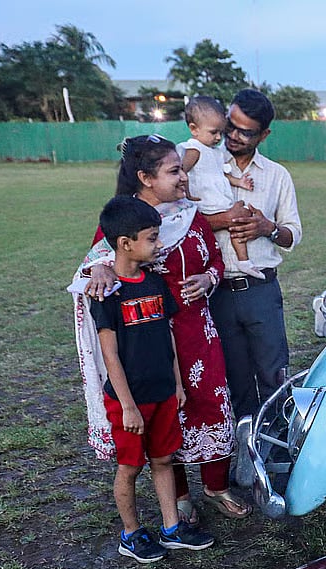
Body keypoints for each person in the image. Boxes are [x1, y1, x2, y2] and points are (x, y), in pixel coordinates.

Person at [73, 134, 251, 523]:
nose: (183, 178)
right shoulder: (127, 220)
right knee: (168, 413)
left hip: (199, 333)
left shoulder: (189, 214)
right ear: (146, 177)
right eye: (174, 171)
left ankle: (216, 486)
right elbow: (99, 264)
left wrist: (208, 279)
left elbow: (216, 261)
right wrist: (99, 267)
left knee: (210, 403)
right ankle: (180, 498)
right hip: (151, 339)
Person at [88, 195, 214, 563]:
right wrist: (127, 406)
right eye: (152, 238)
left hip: (162, 393)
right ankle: (131, 533)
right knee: (130, 468)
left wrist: (176, 384)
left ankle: (172, 528)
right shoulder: (107, 293)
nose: (159, 245)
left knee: (164, 460)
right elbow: (108, 355)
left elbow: (169, 337)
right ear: (126, 243)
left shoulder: (156, 284)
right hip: (130, 401)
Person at [204, 88, 303, 423]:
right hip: (215, 291)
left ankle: (276, 448)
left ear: (264, 134)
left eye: (244, 131)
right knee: (234, 379)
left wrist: (267, 227)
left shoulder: (277, 176)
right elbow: (182, 221)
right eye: (229, 125)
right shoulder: (203, 163)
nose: (232, 136)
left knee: (274, 375)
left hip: (261, 289)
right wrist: (225, 220)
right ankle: (243, 453)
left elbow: (292, 234)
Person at [178, 95, 262, 278]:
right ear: (194, 129)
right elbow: (180, 173)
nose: (218, 137)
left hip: (221, 200)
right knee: (217, 231)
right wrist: (187, 193)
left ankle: (244, 261)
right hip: (205, 202)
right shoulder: (194, 150)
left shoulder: (216, 153)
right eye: (213, 132)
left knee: (240, 220)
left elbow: (222, 174)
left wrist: (239, 182)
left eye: (221, 133)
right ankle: (210, 267)